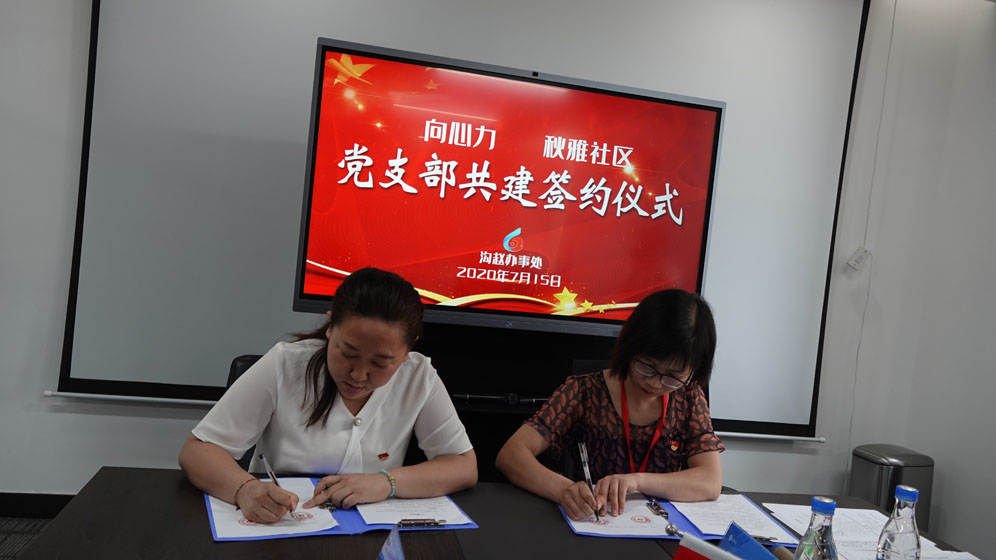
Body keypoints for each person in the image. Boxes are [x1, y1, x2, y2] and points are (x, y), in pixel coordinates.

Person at [179, 267, 477, 523]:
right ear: (330, 327)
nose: (358, 375)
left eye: (380, 362)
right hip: (283, 525)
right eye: (348, 353)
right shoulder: (285, 364)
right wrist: (244, 489)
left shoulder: (418, 376)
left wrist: (387, 482)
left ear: (408, 349)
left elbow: (462, 465)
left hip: (369, 533)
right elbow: (198, 451)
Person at [495, 289, 723, 520]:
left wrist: (637, 481)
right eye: (647, 367)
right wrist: (564, 490)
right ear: (632, 345)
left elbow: (710, 481)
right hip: (595, 521)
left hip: (660, 529)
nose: (655, 383)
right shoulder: (584, 391)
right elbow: (511, 454)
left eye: (672, 377)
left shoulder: (689, 396)